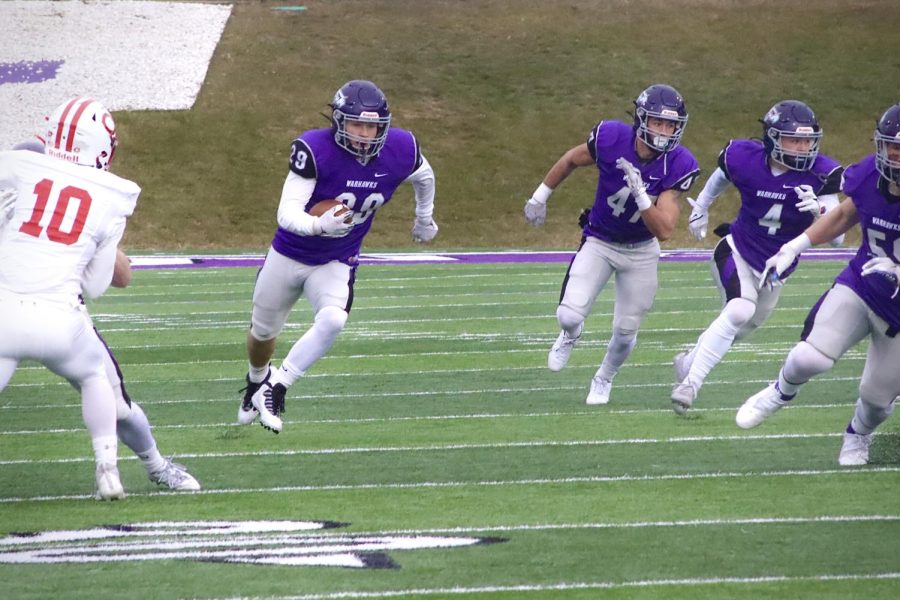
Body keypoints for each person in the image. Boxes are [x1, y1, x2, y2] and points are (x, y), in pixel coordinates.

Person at [238, 80, 437, 433]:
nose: (365, 133)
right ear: (339, 121)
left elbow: (424, 176)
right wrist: (318, 226)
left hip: (336, 259)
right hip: (289, 253)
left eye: (372, 125)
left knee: (333, 320)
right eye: (357, 124)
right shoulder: (315, 148)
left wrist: (424, 217)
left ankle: (276, 386)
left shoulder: (401, 148)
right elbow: (286, 213)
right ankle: (256, 381)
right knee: (262, 333)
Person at [4, 139, 201, 493]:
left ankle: (156, 466)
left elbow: (120, 273)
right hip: (47, 317)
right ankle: (135, 468)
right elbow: (121, 278)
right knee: (105, 391)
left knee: (117, 406)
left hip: (54, 314)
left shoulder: (54, 208)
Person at [736, 103, 900, 467]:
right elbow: (844, 214)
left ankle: (858, 434)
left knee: (875, 400)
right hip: (863, 287)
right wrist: (793, 246)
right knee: (810, 356)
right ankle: (779, 392)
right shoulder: (869, 175)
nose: (898, 157)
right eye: (895, 147)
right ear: (882, 145)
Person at [524, 84, 699, 405]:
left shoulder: (679, 162)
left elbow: (665, 231)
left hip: (641, 251)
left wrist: (643, 197)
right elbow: (571, 159)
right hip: (600, 241)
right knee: (569, 315)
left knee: (626, 331)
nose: (665, 131)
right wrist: (540, 196)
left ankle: (603, 378)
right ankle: (570, 335)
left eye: (671, 124)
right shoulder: (611, 137)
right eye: (658, 122)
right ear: (641, 119)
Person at [670, 100, 844, 415]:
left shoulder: (822, 174)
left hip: (777, 269)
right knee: (739, 309)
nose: (803, 147)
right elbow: (722, 174)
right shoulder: (744, 156)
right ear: (772, 138)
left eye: (807, 140)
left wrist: (819, 212)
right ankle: (690, 385)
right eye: (794, 139)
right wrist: (703, 206)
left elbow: (838, 236)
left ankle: (689, 360)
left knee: (744, 326)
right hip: (738, 249)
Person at [0, 97, 136, 500]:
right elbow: (103, 283)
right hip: (61, 316)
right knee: (94, 375)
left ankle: (152, 463)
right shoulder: (105, 195)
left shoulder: (19, 168)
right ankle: (108, 469)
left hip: (6, 310)